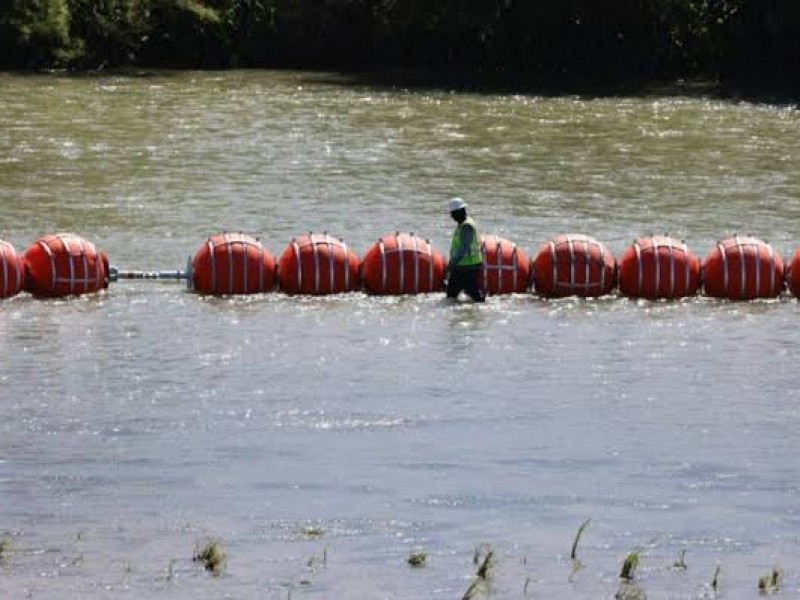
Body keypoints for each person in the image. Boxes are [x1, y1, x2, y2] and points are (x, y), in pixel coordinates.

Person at [446, 197, 486, 302]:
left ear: (460, 212)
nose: (451, 216)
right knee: (452, 295)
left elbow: (463, 248)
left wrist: (452, 263)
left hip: (467, 267)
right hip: (464, 266)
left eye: (453, 213)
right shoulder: (463, 224)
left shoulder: (466, 226)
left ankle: (482, 308)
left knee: (474, 295)